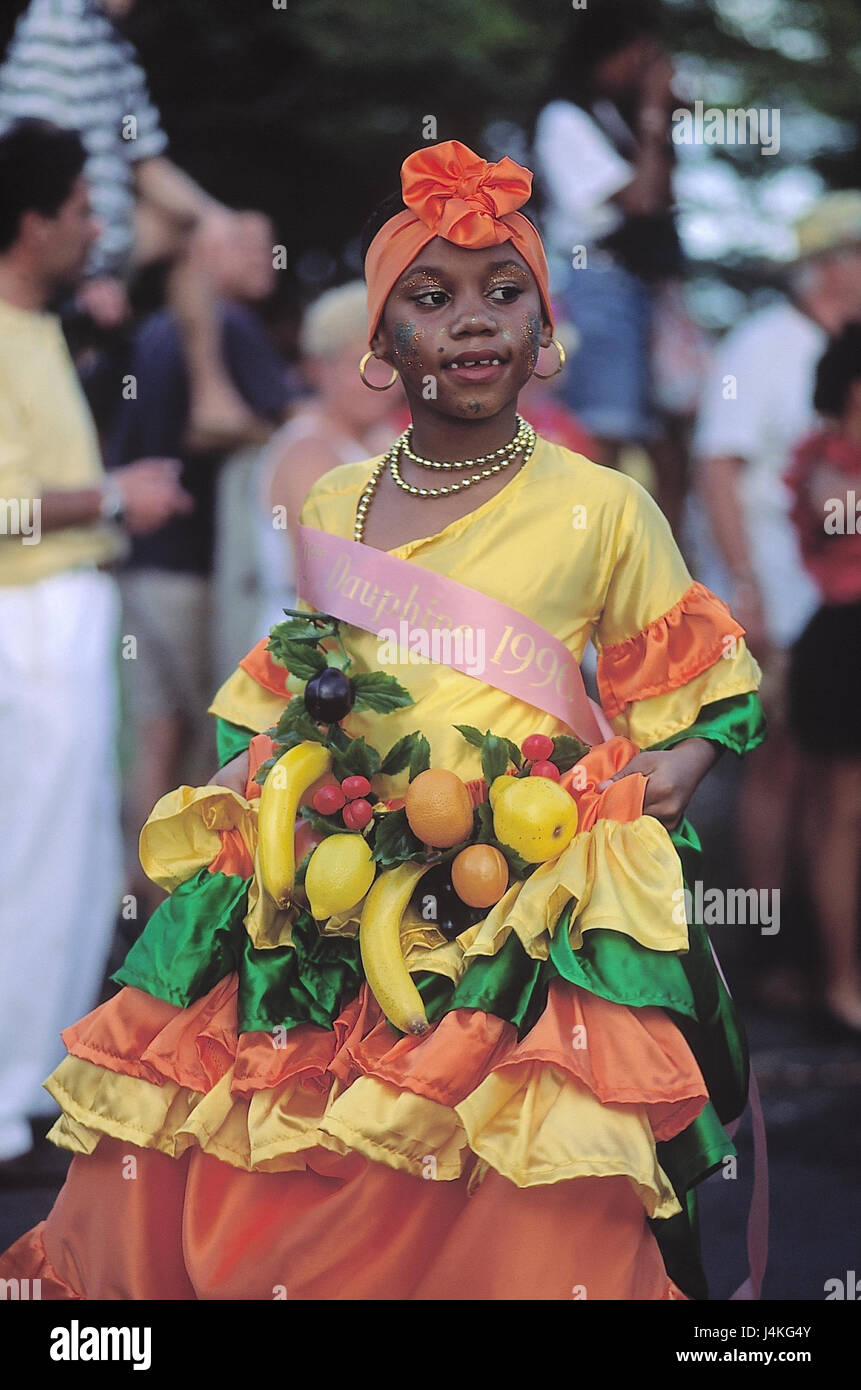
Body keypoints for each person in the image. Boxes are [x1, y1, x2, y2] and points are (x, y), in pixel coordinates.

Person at [0, 140, 764, 1300]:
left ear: (543, 332)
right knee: (287, 1156)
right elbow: (296, 688)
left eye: (506, 294)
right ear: (379, 344)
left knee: (508, 1177)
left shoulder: (606, 505)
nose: (474, 322)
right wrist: (267, 817)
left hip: (524, 891)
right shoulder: (332, 501)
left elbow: (698, 681)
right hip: (344, 880)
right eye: (432, 296)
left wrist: (681, 766)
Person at [0, 119, 191, 1166]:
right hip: (25, 611)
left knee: (70, 861)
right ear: (33, 223)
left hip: (66, 608)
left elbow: (181, 229)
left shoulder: (44, 321)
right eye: (80, 208)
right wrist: (117, 494)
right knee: (30, 855)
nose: (96, 226)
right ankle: (3, 1094)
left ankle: (32, 1086)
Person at [695, 192, 861, 1011]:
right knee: (776, 768)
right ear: (832, 265)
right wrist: (743, 584)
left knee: (825, 779)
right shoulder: (761, 345)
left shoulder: (835, 348)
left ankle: (809, 947)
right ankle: (767, 955)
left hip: (830, 600)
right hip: (778, 592)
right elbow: (715, 465)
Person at [106, 208, 291, 920]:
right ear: (210, 254)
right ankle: (183, 924)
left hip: (144, 566)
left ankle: (135, 907)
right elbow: (236, 424)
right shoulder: (230, 327)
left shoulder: (158, 330)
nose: (266, 260)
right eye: (250, 246)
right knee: (213, 753)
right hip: (192, 574)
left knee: (155, 741)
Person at [0, 0, 270, 447]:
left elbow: (145, 160)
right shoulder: (59, 22)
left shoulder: (112, 46)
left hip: (96, 238)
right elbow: (40, 167)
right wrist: (85, 274)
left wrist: (216, 220)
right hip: (54, 248)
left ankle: (212, 402)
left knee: (185, 231)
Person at [532, 1, 686, 483]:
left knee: (665, 432)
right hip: (598, 282)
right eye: (637, 58)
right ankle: (598, 545)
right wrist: (653, 112)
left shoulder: (609, 115)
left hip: (640, 285)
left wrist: (664, 123)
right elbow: (640, 198)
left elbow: (662, 195)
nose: (644, 70)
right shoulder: (564, 118)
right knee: (606, 423)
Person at [785, 323, 861, 1033]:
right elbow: (836, 510)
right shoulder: (820, 464)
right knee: (839, 815)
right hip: (844, 645)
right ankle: (838, 981)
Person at [255, 280, 406, 635]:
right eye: (363, 364)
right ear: (319, 368)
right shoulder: (306, 449)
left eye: (389, 365)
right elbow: (330, 574)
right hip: (310, 645)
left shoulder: (387, 441)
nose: (379, 381)